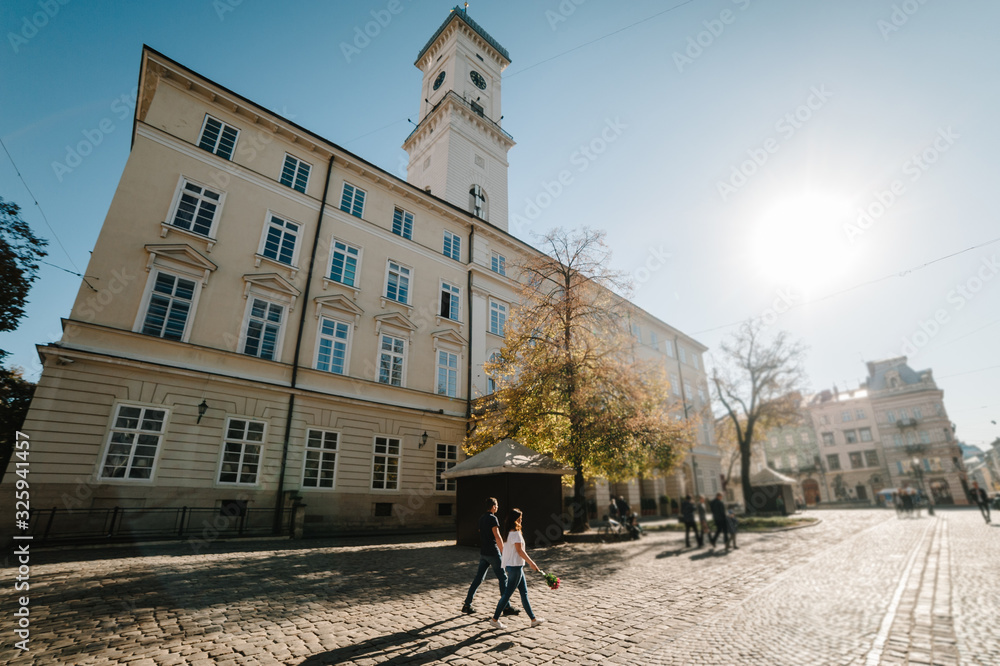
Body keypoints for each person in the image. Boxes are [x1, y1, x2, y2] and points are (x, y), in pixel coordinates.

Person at [462, 497, 519, 617]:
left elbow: (481, 533)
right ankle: (507, 607)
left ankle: (467, 604)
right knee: (503, 578)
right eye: (497, 505)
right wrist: (504, 552)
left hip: (484, 553)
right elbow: (497, 537)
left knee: (478, 579)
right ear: (493, 507)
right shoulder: (493, 518)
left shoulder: (481, 518)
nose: (497, 507)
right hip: (493, 552)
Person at [490, 508, 546, 630]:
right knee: (507, 595)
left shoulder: (509, 533)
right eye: (520, 518)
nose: (521, 520)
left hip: (515, 567)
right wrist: (532, 563)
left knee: (524, 593)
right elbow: (520, 551)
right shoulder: (515, 533)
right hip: (515, 568)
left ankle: (533, 619)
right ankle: (494, 619)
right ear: (515, 520)